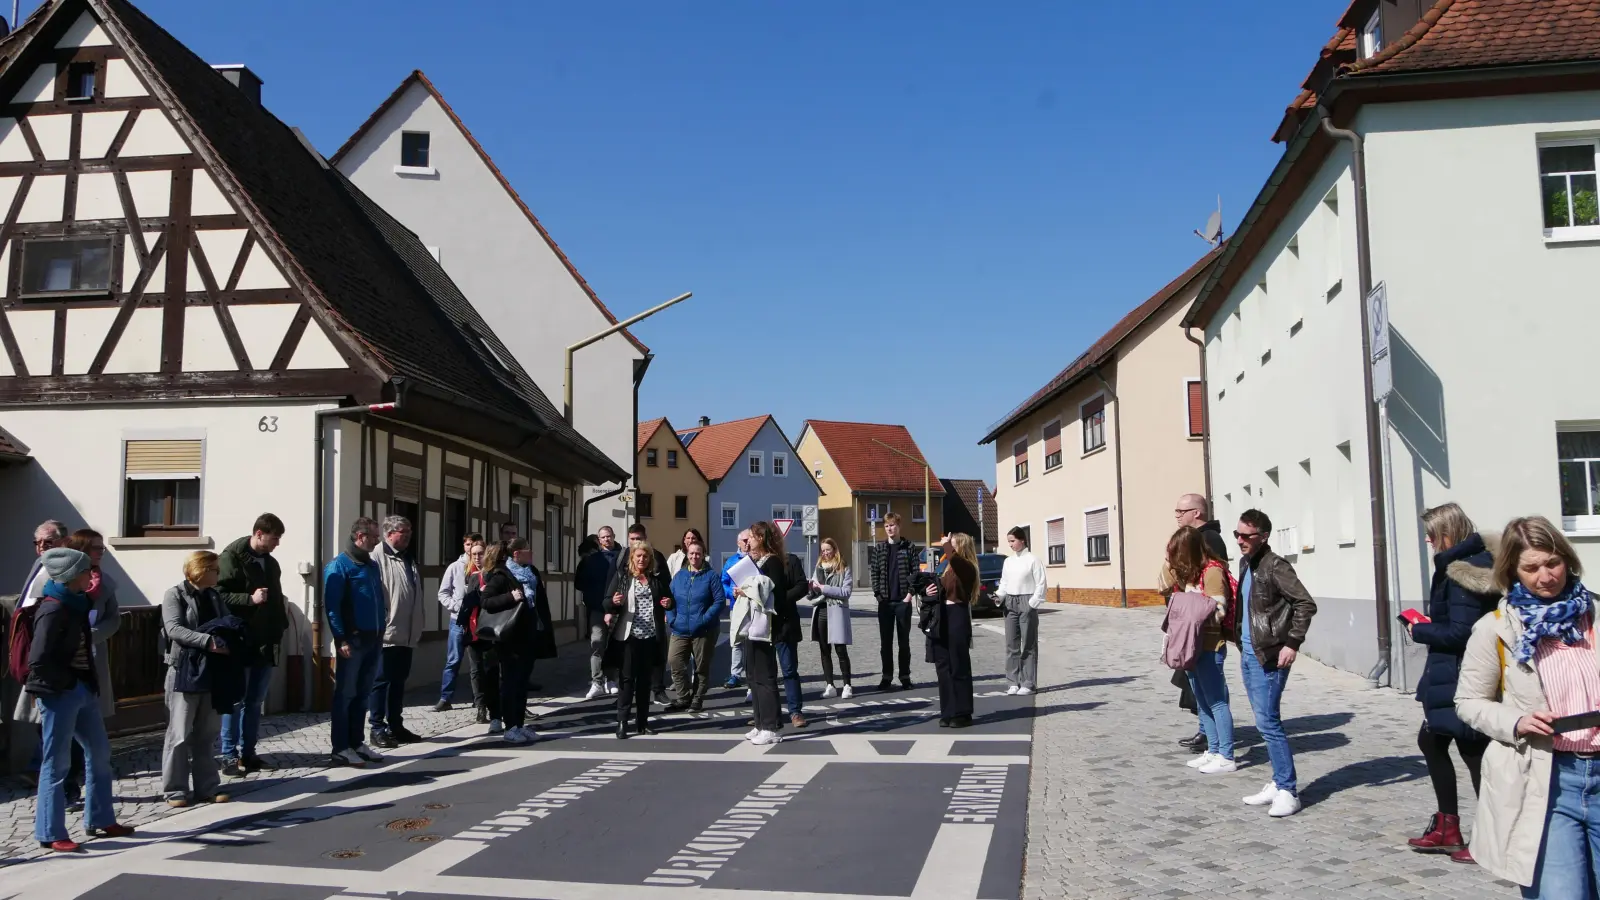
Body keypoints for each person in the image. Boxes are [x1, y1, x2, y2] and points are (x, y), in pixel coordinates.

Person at [1456, 516, 1600, 895]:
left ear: (1567, 560)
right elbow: (1468, 702)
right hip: (1545, 781)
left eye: (1552, 563)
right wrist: (1517, 720)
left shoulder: (1595, 615)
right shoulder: (1497, 628)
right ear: (1513, 572)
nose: (1545, 576)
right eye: (1531, 568)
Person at [1404, 503, 1498, 862]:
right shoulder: (1457, 565)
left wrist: (1421, 629)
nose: (1428, 540)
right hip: (1449, 673)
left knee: (1474, 754)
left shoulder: (1463, 572)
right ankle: (1448, 827)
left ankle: (1488, 838)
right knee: (1432, 740)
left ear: (1449, 532)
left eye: (1432, 533)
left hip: (1463, 674)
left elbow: (1464, 632)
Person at [27, 546, 134, 851]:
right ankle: (50, 832)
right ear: (73, 574)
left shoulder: (75, 603)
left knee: (99, 752)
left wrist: (84, 686)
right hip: (60, 694)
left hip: (82, 690)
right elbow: (39, 660)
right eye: (88, 569)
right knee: (56, 763)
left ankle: (100, 819)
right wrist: (69, 684)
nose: (93, 574)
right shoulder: (52, 608)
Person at [14, 530, 119, 808]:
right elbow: (36, 642)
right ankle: (54, 818)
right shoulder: (53, 595)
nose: (101, 552)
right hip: (60, 679)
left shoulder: (99, 584)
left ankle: (100, 816)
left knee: (97, 751)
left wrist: (89, 635)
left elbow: (112, 619)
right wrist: (56, 684)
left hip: (86, 674)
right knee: (57, 754)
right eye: (96, 548)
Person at [1234, 509, 1317, 818]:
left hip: (1270, 654)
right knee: (1262, 722)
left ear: (1263, 536)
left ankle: (1288, 790)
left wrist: (1292, 643)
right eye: (1237, 534)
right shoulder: (1247, 563)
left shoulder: (1276, 566)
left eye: (1246, 536)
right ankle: (1277, 781)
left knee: (1269, 721)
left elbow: (1305, 603)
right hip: (1249, 652)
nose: (1240, 540)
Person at [160, 551, 236, 808]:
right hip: (183, 670)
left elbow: (227, 623)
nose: (218, 573)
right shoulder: (175, 594)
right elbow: (174, 629)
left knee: (207, 732)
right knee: (180, 733)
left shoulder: (214, 596)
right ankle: (175, 790)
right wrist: (208, 641)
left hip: (211, 671)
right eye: (214, 569)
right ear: (200, 570)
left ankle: (207, 787)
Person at [216, 513, 286, 777]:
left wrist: (280, 627)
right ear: (259, 534)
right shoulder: (231, 558)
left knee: (255, 702)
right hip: (240, 640)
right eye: (274, 538)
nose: (277, 544)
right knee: (235, 701)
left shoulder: (271, 564)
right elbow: (219, 594)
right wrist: (249, 599)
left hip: (266, 641)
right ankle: (228, 755)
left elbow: (276, 599)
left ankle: (249, 754)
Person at [1162, 526, 1237, 775]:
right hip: (1192, 646)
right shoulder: (1192, 575)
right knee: (1202, 701)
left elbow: (1219, 612)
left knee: (1216, 701)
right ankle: (1213, 750)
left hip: (1209, 646)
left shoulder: (1213, 572)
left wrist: (1191, 602)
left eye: (1177, 555)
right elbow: (1164, 585)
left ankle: (1226, 755)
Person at [325, 517, 387, 768]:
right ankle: (341, 747)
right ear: (360, 537)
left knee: (363, 694)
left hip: (374, 637)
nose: (377, 540)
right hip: (353, 639)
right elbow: (332, 607)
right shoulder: (339, 566)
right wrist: (341, 638)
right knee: (346, 694)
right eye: (373, 536)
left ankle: (356, 742)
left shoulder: (371, 565)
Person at [480, 539, 555, 744]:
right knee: (511, 682)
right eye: (527, 550)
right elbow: (485, 600)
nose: (531, 553)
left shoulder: (531, 572)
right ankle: (510, 726)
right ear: (516, 554)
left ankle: (520, 725)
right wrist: (509, 597)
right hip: (510, 638)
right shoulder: (502, 575)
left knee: (522, 683)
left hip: (530, 635)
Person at [1174, 494, 1228, 752]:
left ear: (1196, 513)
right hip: (1192, 634)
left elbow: (1215, 599)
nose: (1176, 515)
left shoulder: (1209, 540)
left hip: (1207, 635)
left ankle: (1219, 746)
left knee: (1214, 695)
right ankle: (1209, 737)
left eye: (1180, 510)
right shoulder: (1200, 539)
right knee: (1201, 691)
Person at [606, 539, 672, 738]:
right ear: (632, 559)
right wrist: (614, 602)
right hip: (629, 637)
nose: (642, 559)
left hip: (651, 636)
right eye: (638, 556)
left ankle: (642, 723)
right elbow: (607, 602)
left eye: (645, 556)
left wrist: (669, 603)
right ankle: (622, 722)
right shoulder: (623, 578)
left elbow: (668, 600)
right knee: (627, 680)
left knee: (645, 682)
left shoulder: (655, 579)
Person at [367, 517, 421, 749]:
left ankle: (395, 726)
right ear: (389, 534)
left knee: (399, 681)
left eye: (409, 531)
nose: (408, 535)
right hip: (388, 632)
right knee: (381, 682)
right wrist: (385, 619)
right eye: (403, 531)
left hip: (406, 631)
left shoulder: (407, 557)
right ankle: (377, 728)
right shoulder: (377, 557)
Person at [733, 521, 785, 745]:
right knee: (752, 676)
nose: (748, 541)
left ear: (762, 538)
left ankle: (772, 727)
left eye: (752, 537)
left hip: (766, 626)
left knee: (765, 677)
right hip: (752, 626)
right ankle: (759, 722)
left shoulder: (772, 562)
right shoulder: (755, 561)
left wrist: (747, 591)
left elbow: (773, 592)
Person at [925, 533, 979, 728]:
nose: (948, 549)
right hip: (942, 615)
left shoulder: (966, 566)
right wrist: (927, 591)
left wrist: (947, 547)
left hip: (957, 614)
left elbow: (955, 560)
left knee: (958, 664)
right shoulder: (947, 567)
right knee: (943, 667)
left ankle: (962, 712)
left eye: (953, 545)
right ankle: (947, 711)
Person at [668, 541, 724, 713]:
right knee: (675, 662)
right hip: (679, 629)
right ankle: (683, 697)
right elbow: (669, 599)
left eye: (698, 553)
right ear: (687, 554)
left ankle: (697, 699)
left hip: (703, 631)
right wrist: (672, 619)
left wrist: (704, 619)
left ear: (703, 554)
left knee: (701, 667)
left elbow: (719, 601)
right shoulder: (680, 576)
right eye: (691, 553)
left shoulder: (711, 576)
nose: (694, 556)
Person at [435, 532, 485, 714]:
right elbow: (443, 593)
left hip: (478, 621)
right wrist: (456, 606)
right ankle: (445, 697)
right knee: (453, 660)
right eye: (468, 544)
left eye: (475, 544)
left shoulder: (483, 568)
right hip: (458, 621)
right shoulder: (455, 567)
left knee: (477, 664)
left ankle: (478, 699)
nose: (471, 548)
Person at [870, 513, 919, 692]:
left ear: (899, 526)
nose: (890, 529)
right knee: (886, 643)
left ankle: (905, 676)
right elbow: (874, 572)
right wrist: (878, 595)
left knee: (904, 642)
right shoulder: (879, 549)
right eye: (887, 526)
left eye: (893, 525)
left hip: (902, 601)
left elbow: (915, 573)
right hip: (885, 603)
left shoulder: (909, 547)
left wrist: (909, 595)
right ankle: (886, 676)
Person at [996, 526, 1045, 696]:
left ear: (1022, 540)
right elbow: (1004, 583)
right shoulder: (1008, 561)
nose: (1010, 544)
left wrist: (1032, 603)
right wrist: (999, 597)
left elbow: (1041, 584)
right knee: (1011, 644)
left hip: (1026, 600)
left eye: (1013, 541)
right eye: (1009, 541)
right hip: (1010, 602)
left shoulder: (1033, 560)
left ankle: (1028, 682)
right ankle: (1013, 682)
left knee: (1028, 644)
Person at [808, 538, 854, 699]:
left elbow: (846, 592)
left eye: (828, 549)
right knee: (824, 650)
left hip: (837, 612)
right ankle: (830, 685)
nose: (826, 553)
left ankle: (847, 685)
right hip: (821, 611)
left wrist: (823, 589)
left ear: (835, 550)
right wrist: (811, 589)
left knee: (840, 650)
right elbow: (813, 592)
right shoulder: (818, 568)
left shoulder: (843, 567)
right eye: (823, 550)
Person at [778, 550, 807, 728]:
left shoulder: (790, 560)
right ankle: (767, 712)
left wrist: (781, 599)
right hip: (762, 625)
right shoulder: (754, 561)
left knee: (789, 670)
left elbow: (802, 586)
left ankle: (795, 711)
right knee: (766, 674)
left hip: (785, 624)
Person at [722, 528, 754, 689]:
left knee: (754, 640)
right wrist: (731, 593)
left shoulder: (758, 558)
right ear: (738, 543)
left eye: (749, 540)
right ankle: (735, 674)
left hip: (755, 606)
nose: (747, 543)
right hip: (737, 606)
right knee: (737, 640)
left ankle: (753, 673)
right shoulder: (731, 561)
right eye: (744, 541)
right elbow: (723, 582)